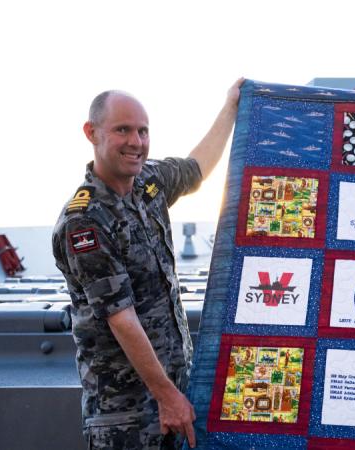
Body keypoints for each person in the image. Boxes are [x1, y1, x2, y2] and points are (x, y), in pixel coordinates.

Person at [52, 78, 245, 449]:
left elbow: (195, 169)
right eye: (122, 130)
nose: (136, 142)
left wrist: (231, 107)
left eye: (143, 131)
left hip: (171, 398)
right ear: (91, 133)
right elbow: (121, 318)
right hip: (125, 416)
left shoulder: (148, 185)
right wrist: (167, 397)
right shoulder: (86, 221)